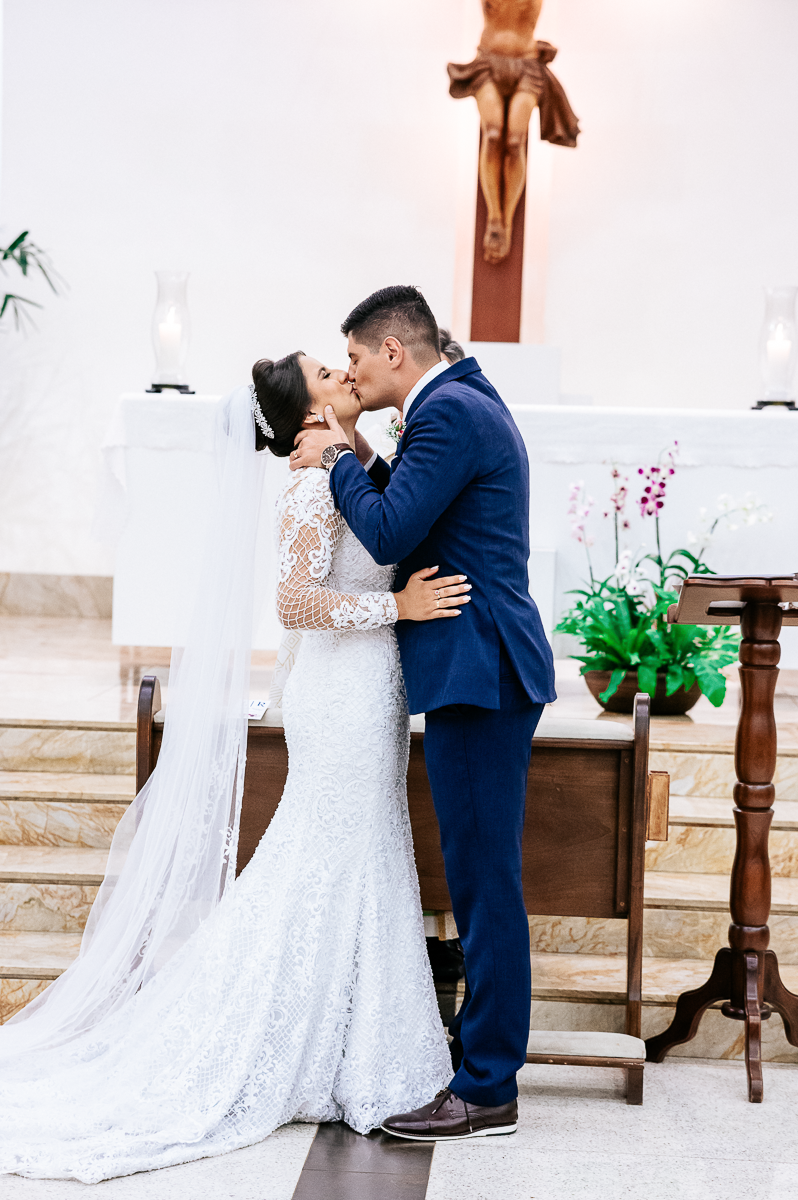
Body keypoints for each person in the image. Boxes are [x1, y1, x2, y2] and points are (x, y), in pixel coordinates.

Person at [0, 359, 469, 1183]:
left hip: (371, 692)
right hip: (343, 694)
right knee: (329, 856)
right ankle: (320, 1049)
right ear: (305, 411)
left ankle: (344, 1048)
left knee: (358, 856)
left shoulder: (351, 472)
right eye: (327, 370)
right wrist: (395, 607)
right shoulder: (307, 488)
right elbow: (294, 603)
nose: (342, 368)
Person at [291, 284, 556, 1142]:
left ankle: (486, 1087)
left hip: (478, 672)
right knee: (484, 881)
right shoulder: (456, 402)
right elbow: (413, 507)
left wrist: (334, 456)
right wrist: (359, 456)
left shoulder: (448, 415)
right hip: (477, 669)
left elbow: (392, 534)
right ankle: (483, 1072)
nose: (355, 374)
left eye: (358, 359)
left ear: (393, 352)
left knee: (485, 887)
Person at [447, 0, 579, 264]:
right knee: (493, 134)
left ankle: (505, 222)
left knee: (515, 141)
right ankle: (494, 217)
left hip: (526, 64)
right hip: (488, 61)